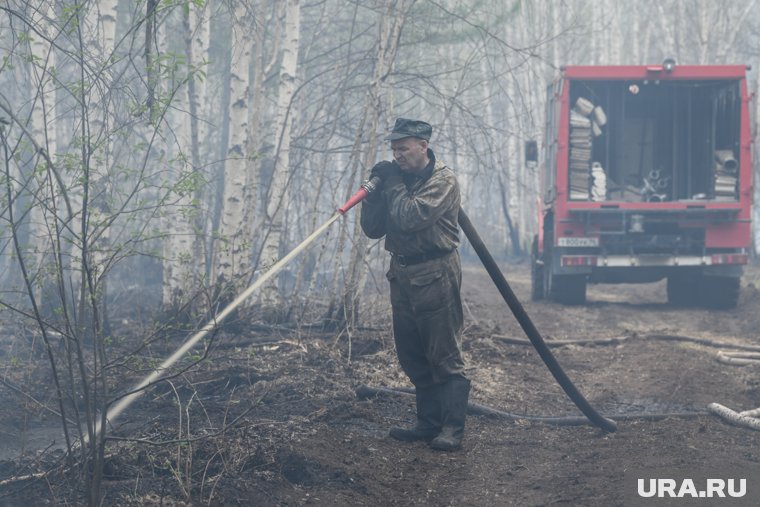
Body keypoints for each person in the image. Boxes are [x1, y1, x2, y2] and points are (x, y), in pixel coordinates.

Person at [360, 118, 470, 452]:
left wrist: (392, 184)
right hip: (402, 272)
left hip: (436, 270)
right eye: (394, 150)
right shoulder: (398, 179)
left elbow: (411, 216)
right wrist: (374, 195)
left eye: (404, 148)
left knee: (443, 352)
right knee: (412, 353)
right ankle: (428, 424)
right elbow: (373, 229)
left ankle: (452, 427)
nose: (398, 156)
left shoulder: (443, 180)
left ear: (423, 145)